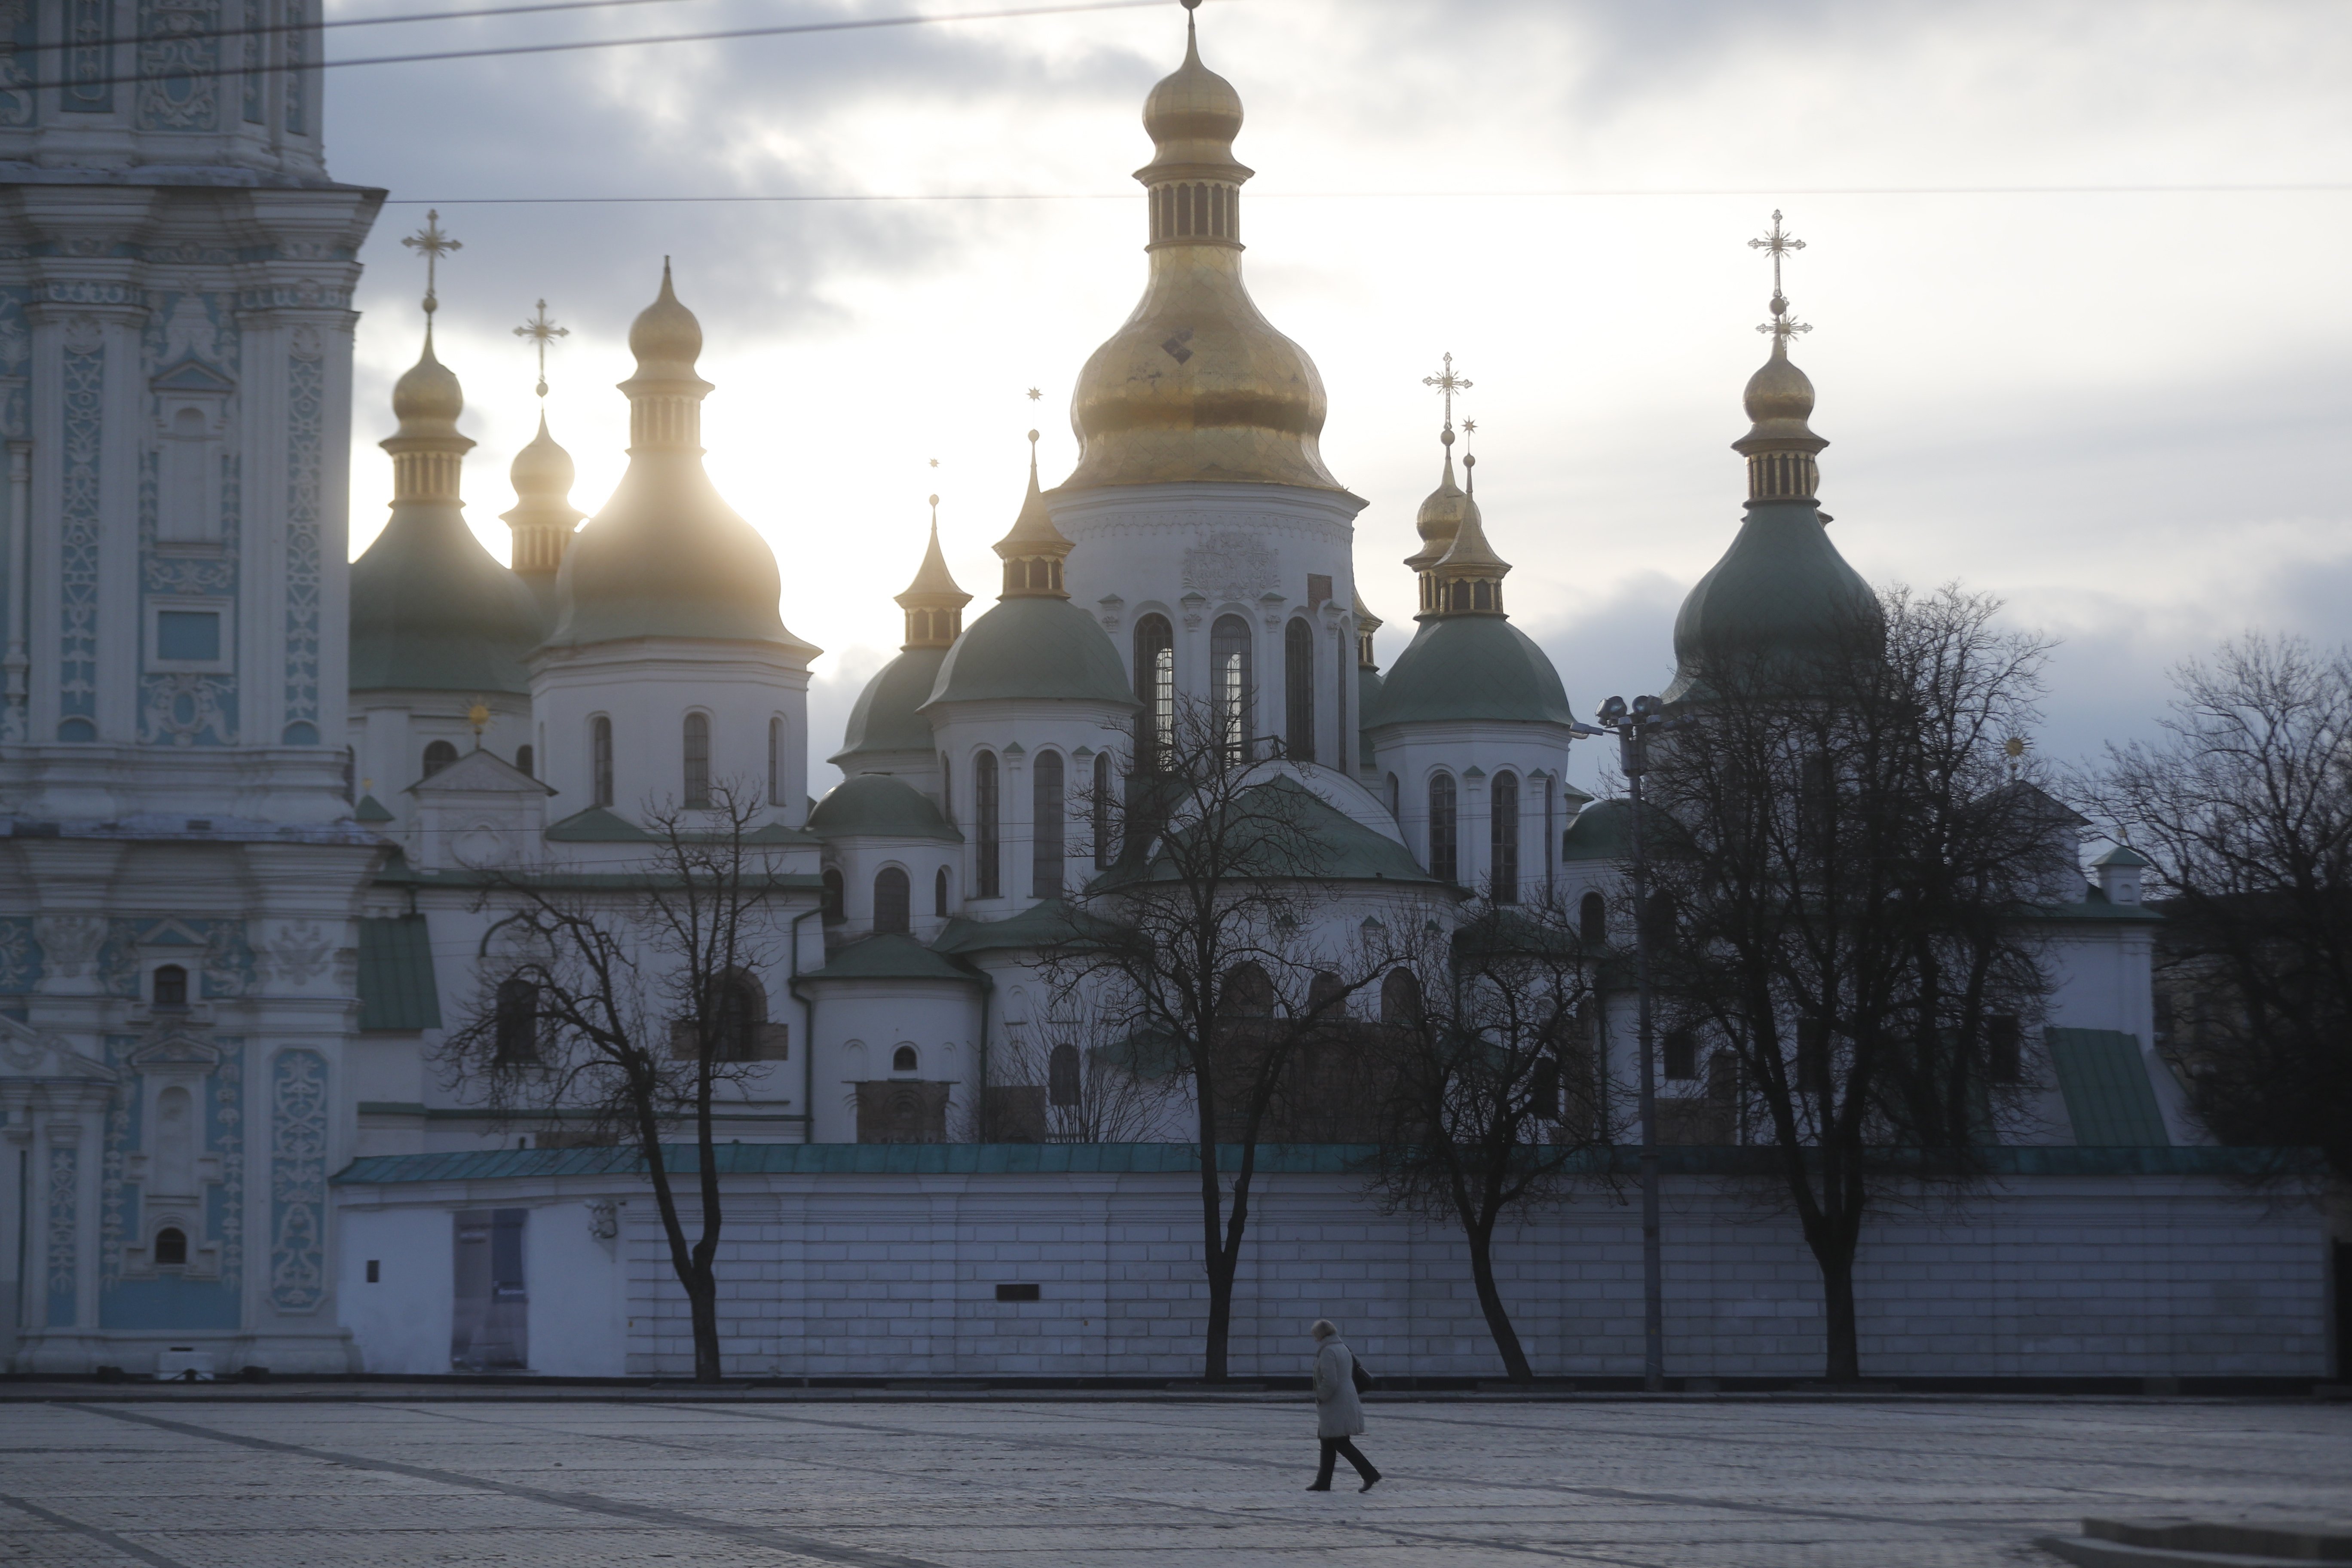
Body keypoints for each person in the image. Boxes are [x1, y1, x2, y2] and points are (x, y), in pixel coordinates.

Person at [1307, 1319, 1380, 1492]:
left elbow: (1330, 1381)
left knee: (1340, 1442)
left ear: (1321, 1334)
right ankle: (1323, 1481)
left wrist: (1320, 1397)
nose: (1314, 1338)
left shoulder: (1328, 1352)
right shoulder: (1342, 1348)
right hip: (1345, 1399)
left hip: (1335, 1402)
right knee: (1328, 1441)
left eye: (1315, 1334)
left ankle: (1369, 1474)